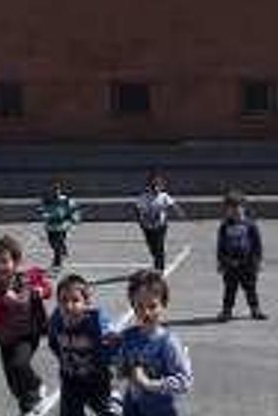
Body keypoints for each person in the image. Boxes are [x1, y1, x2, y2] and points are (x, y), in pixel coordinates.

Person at [0, 235, 52, 416]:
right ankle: (26, 406)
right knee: (13, 381)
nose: (0, 267)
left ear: (16, 261)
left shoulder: (28, 279)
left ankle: (36, 385)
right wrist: (2, 304)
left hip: (27, 334)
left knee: (19, 364)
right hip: (5, 339)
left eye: (5, 261)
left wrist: (40, 290)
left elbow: (47, 289)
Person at [117, 270, 193, 416]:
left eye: (152, 306)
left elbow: (184, 380)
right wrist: (120, 368)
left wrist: (149, 384)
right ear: (132, 306)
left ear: (163, 305)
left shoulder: (168, 342)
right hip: (132, 407)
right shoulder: (128, 336)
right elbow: (120, 368)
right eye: (139, 306)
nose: (146, 312)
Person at [48, 274, 120, 416]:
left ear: (86, 303)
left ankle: (114, 398)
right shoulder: (56, 320)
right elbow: (54, 343)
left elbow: (111, 340)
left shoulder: (95, 321)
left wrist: (112, 342)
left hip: (98, 381)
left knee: (109, 412)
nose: (69, 306)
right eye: (63, 300)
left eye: (75, 300)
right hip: (71, 381)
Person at [216, 189, 267, 321]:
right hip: (230, 263)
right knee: (229, 289)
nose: (234, 211)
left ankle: (255, 309)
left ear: (243, 208)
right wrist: (221, 262)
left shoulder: (250, 225)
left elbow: (257, 245)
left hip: (247, 263)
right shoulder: (224, 226)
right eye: (230, 209)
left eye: (237, 208)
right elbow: (220, 246)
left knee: (250, 288)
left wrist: (257, 261)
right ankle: (226, 311)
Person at [134, 172, 185, 271]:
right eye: (154, 186)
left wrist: (180, 212)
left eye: (158, 186)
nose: (156, 189)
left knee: (159, 246)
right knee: (152, 247)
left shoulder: (163, 196)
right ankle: (157, 259)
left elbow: (173, 204)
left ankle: (160, 267)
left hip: (160, 226)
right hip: (147, 226)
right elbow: (137, 208)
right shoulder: (144, 197)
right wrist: (141, 222)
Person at [39, 178, 81, 271]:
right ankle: (63, 250)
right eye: (53, 190)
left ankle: (57, 262)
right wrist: (44, 214)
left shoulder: (65, 200)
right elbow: (42, 209)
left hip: (61, 226)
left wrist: (74, 218)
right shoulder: (47, 199)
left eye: (57, 190)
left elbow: (74, 209)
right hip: (50, 226)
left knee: (58, 243)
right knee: (52, 243)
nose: (55, 192)